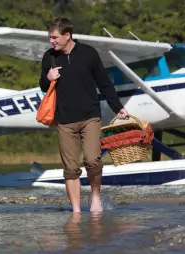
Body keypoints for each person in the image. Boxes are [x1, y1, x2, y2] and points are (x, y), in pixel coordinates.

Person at [39, 18, 129, 213]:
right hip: (64, 120)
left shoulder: (89, 53)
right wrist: (48, 79)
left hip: (90, 117)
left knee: (92, 160)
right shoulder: (49, 57)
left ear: (67, 35)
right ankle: (77, 211)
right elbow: (43, 87)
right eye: (50, 38)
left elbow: (104, 83)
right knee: (71, 169)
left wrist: (117, 107)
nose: (51, 41)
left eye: (54, 37)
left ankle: (95, 197)